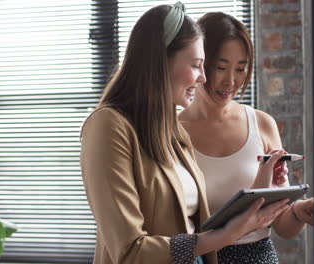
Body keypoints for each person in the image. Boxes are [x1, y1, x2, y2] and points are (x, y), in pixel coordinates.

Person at [80, 3, 291, 264]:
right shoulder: (108, 127)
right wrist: (227, 235)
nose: (203, 78)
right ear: (160, 62)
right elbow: (130, 250)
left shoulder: (171, 130)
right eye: (196, 65)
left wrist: (262, 188)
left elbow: (190, 228)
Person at [178, 12, 314, 263]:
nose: (231, 81)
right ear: (199, 64)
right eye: (221, 67)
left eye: (240, 69)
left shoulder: (262, 124)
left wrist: (299, 212)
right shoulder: (172, 131)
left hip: (259, 256)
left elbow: (282, 227)